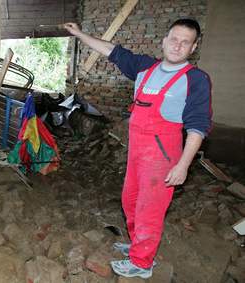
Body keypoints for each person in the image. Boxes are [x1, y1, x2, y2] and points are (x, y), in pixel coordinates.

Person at [64, 19, 212, 279]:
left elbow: (198, 127)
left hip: (162, 156)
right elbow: (111, 50)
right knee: (129, 201)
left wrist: (183, 165)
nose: (178, 46)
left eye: (185, 42)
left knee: (149, 209)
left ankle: (142, 263)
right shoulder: (146, 67)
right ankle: (137, 244)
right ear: (164, 40)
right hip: (137, 152)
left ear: (193, 47)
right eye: (174, 39)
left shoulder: (195, 79)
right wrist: (79, 34)